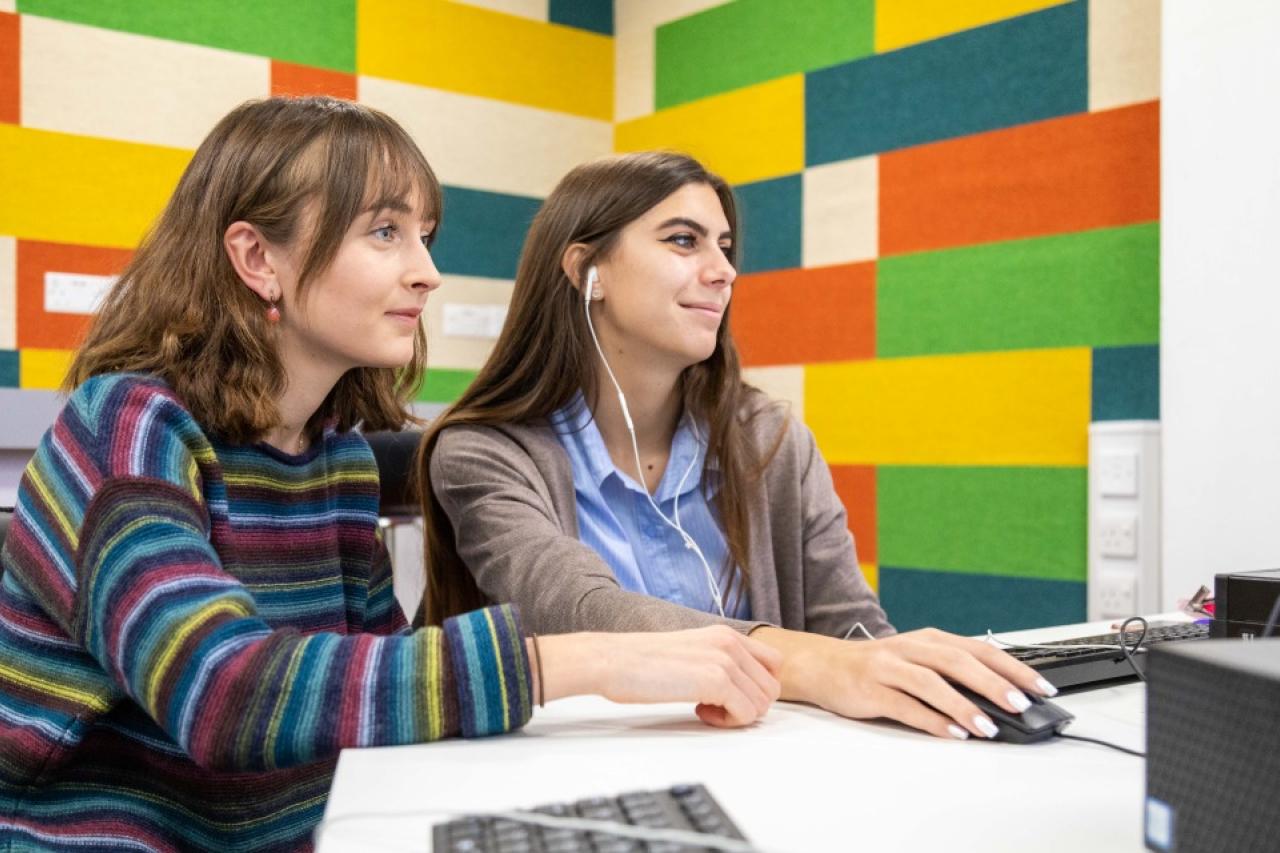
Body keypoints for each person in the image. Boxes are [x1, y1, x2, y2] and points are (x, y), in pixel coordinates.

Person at [0, 100, 780, 852]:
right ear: (256, 258)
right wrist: (583, 660)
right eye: (385, 232)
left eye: (425, 235)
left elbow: (380, 683)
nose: (429, 273)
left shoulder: (335, 458)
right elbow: (222, 689)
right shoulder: (127, 426)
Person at [420, 151, 1059, 744]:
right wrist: (818, 664)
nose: (723, 271)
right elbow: (575, 611)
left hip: (762, 772)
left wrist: (913, 676)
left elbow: (851, 627)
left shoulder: (770, 440)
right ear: (588, 271)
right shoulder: (484, 452)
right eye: (682, 240)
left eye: (725, 247)